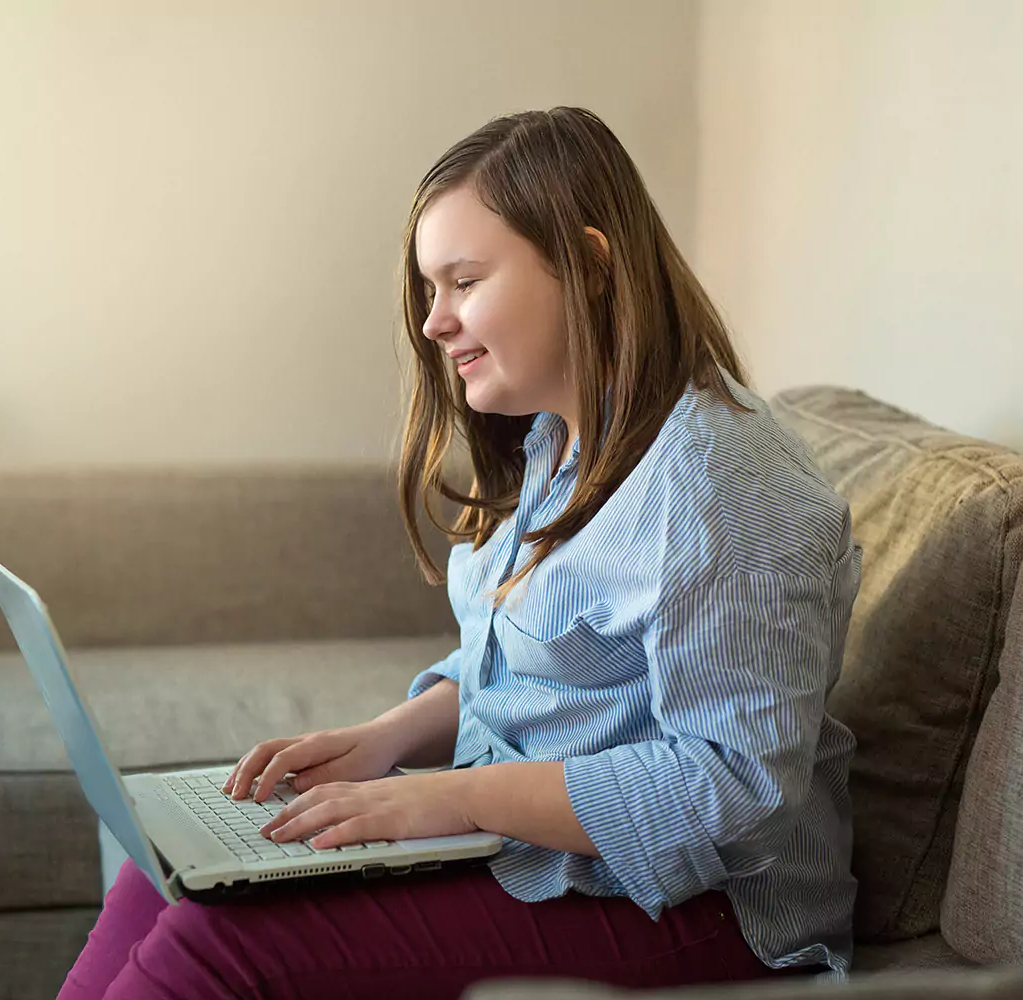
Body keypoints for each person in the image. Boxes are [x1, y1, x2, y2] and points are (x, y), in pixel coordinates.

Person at [60, 106, 861, 1000]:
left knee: (211, 946)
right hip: (537, 853)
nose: (435, 324)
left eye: (464, 281)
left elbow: (735, 792)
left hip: (704, 916)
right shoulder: (558, 442)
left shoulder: (723, 482)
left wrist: (452, 799)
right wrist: (379, 743)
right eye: (430, 290)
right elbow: (518, 662)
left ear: (591, 267)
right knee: (160, 868)